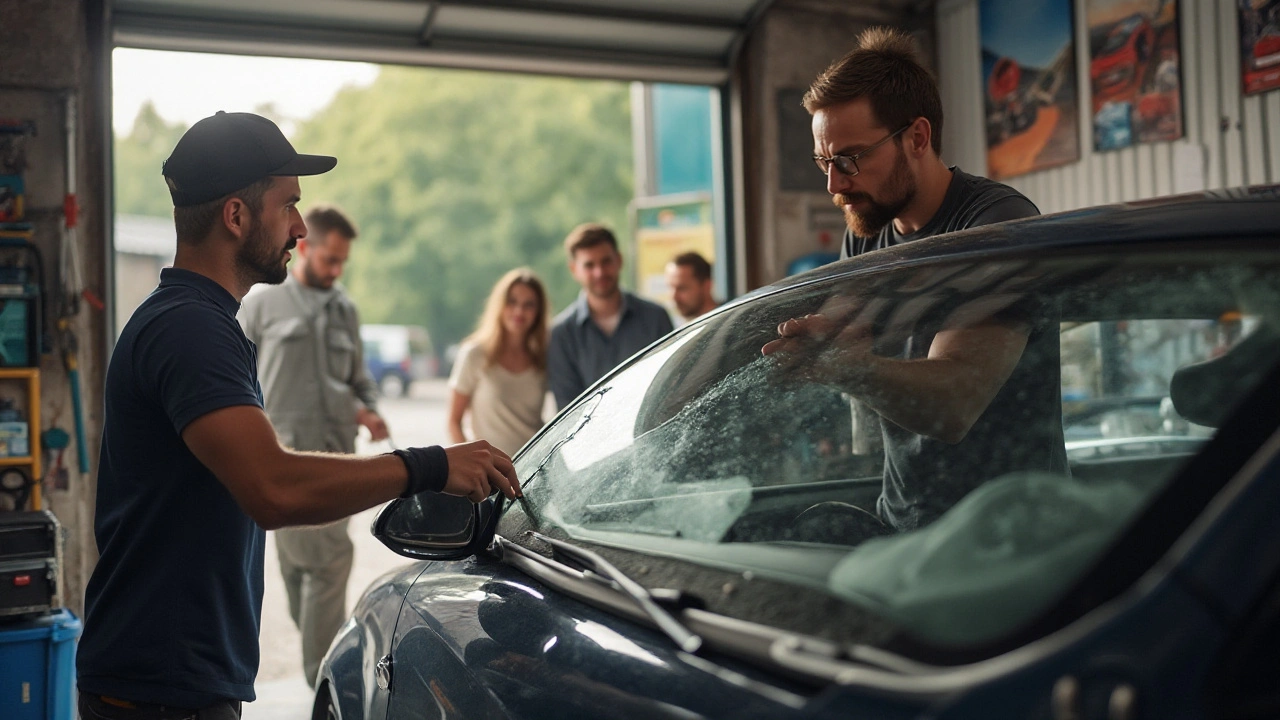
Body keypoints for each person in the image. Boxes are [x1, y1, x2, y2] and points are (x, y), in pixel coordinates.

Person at [76, 111, 520, 720]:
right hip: (161, 692)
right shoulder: (190, 330)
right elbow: (274, 488)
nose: (300, 226)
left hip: (171, 682)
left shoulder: (195, 321)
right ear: (236, 216)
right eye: (288, 205)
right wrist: (428, 466)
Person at [763, 27, 1067, 533]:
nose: (834, 184)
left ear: (917, 138)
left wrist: (847, 369)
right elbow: (833, 344)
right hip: (908, 526)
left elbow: (955, 402)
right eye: (825, 161)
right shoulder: (867, 229)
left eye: (851, 158)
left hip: (1012, 538)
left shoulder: (994, 224)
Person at [236, 204, 386, 688]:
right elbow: (237, 376)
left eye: (344, 262)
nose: (337, 270)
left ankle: (324, 679)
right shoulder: (261, 303)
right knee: (301, 569)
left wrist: (369, 407)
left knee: (326, 561)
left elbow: (359, 379)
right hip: (282, 459)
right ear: (304, 247)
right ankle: (323, 677)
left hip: (338, 458)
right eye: (331, 260)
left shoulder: (346, 309)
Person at [548, 223, 673, 409]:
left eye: (606, 261)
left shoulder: (656, 317)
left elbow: (671, 386)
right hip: (591, 437)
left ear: (619, 260)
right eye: (589, 265)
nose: (599, 272)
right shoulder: (562, 334)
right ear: (574, 270)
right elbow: (567, 408)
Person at [448, 268, 552, 456]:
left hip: (535, 466)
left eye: (529, 304)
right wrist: (473, 465)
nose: (519, 310)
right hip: (490, 474)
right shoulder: (474, 354)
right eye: (512, 301)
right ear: (499, 304)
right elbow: (454, 422)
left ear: (539, 311)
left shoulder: (543, 358)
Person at [665, 251, 718, 323]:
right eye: (670, 287)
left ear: (706, 285)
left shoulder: (728, 324)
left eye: (682, 288)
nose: (674, 297)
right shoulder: (676, 326)